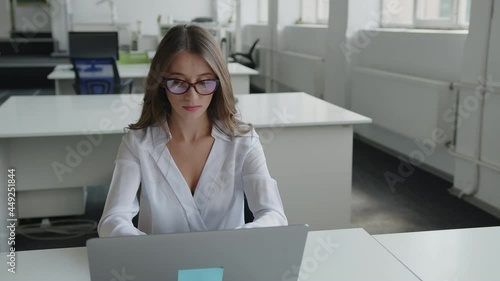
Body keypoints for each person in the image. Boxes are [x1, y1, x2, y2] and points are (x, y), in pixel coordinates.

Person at [98, 24, 287, 237]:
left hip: (227, 265)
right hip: (159, 266)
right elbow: (112, 219)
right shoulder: (138, 142)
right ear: (160, 83)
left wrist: (238, 240)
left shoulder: (243, 141)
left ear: (219, 83)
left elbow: (273, 213)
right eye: (178, 82)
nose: (192, 97)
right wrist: (147, 248)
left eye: (204, 82)